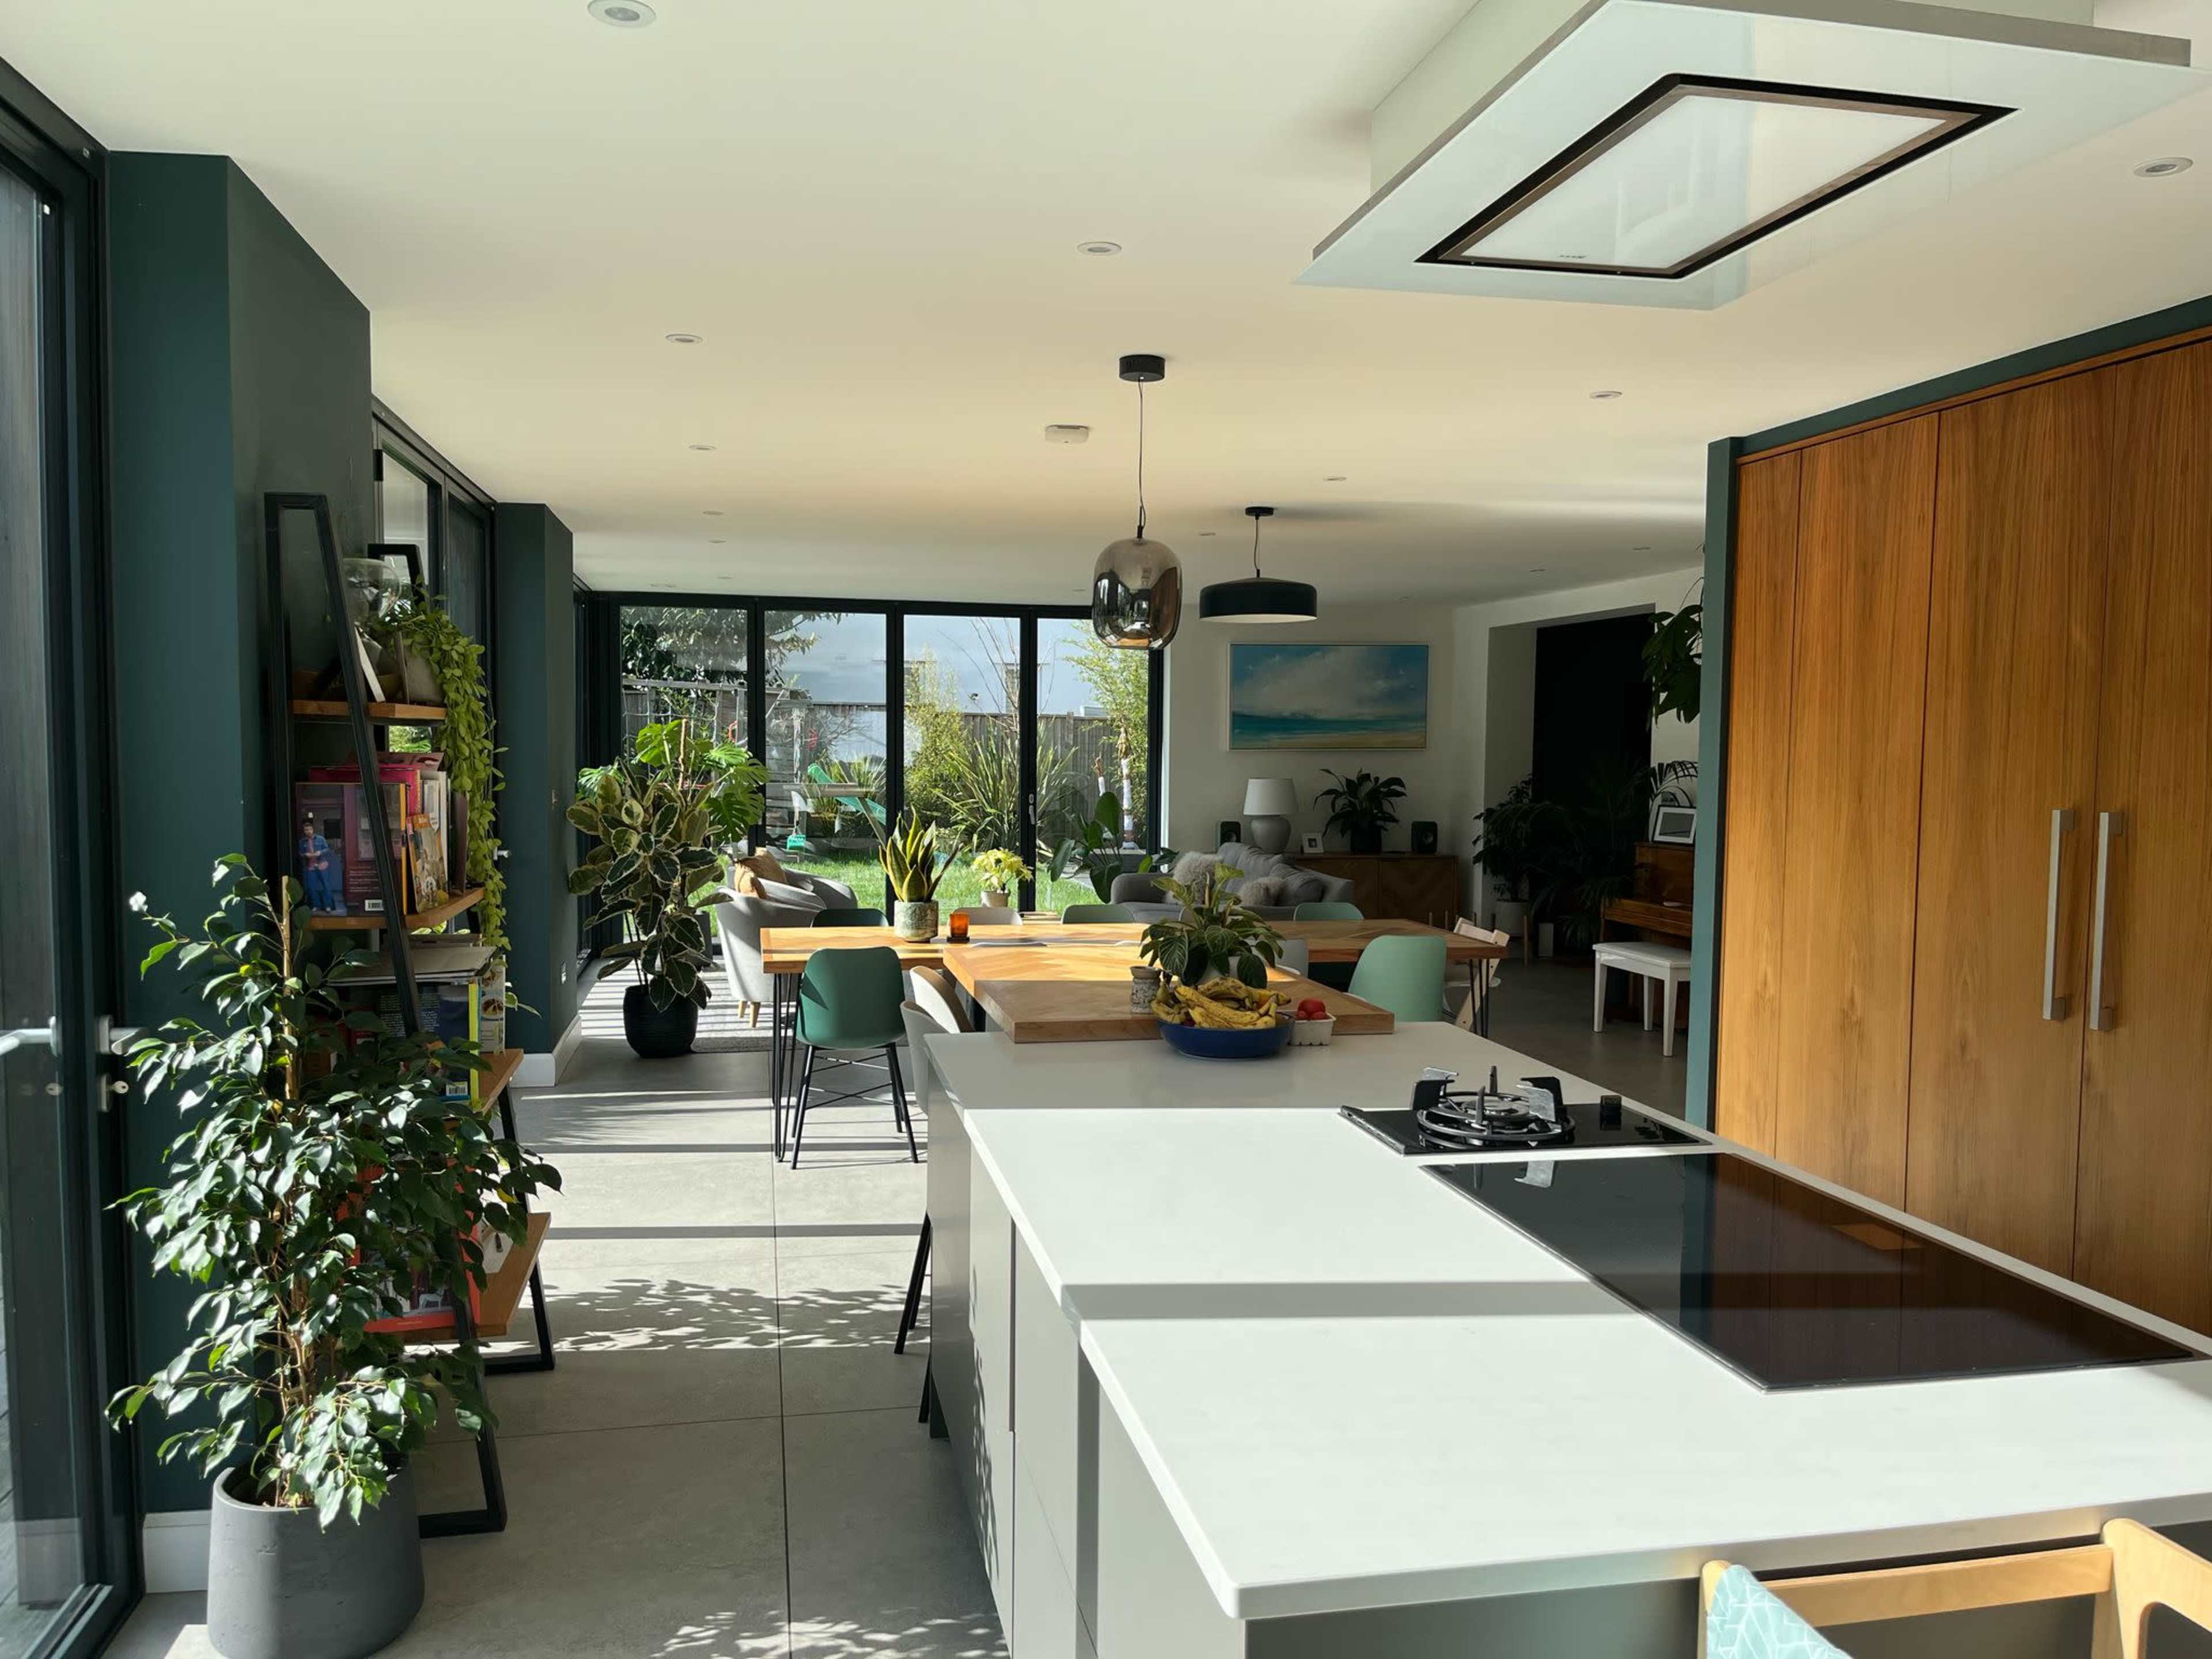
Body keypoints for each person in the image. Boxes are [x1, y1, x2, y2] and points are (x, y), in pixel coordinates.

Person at [300, 813, 340, 912]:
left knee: (326, 885)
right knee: (311, 887)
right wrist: (305, 855)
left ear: (313, 830)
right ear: (304, 831)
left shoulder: (321, 839)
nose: (308, 832)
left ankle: (328, 906)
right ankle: (315, 905)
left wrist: (320, 852)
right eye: (306, 830)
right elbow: (300, 853)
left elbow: (327, 849)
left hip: (322, 865)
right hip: (310, 866)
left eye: (310, 830)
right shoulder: (302, 842)